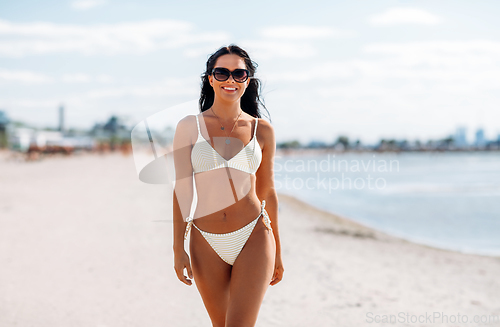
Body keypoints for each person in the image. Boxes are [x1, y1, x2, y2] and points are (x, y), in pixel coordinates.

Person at [172, 44, 284, 327]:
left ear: (248, 80)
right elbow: (182, 190)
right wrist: (178, 248)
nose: (230, 80)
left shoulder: (262, 130)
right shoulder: (189, 127)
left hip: (254, 236)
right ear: (210, 78)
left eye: (239, 73)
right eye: (221, 73)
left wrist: (278, 253)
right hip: (205, 240)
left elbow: (267, 193)